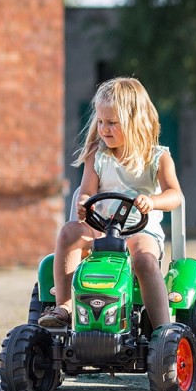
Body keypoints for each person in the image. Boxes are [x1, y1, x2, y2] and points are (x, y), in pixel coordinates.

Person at [39, 77, 183, 328]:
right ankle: (64, 306)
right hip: (99, 228)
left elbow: (175, 194)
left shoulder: (158, 157)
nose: (104, 129)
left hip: (141, 230)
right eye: (101, 122)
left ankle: (162, 329)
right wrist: (84, 203)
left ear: (134, 121)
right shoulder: (97, 154)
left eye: (112, 123)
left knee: (144, 259)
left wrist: (152, 200)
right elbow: (85, 192)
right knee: (69, 232)